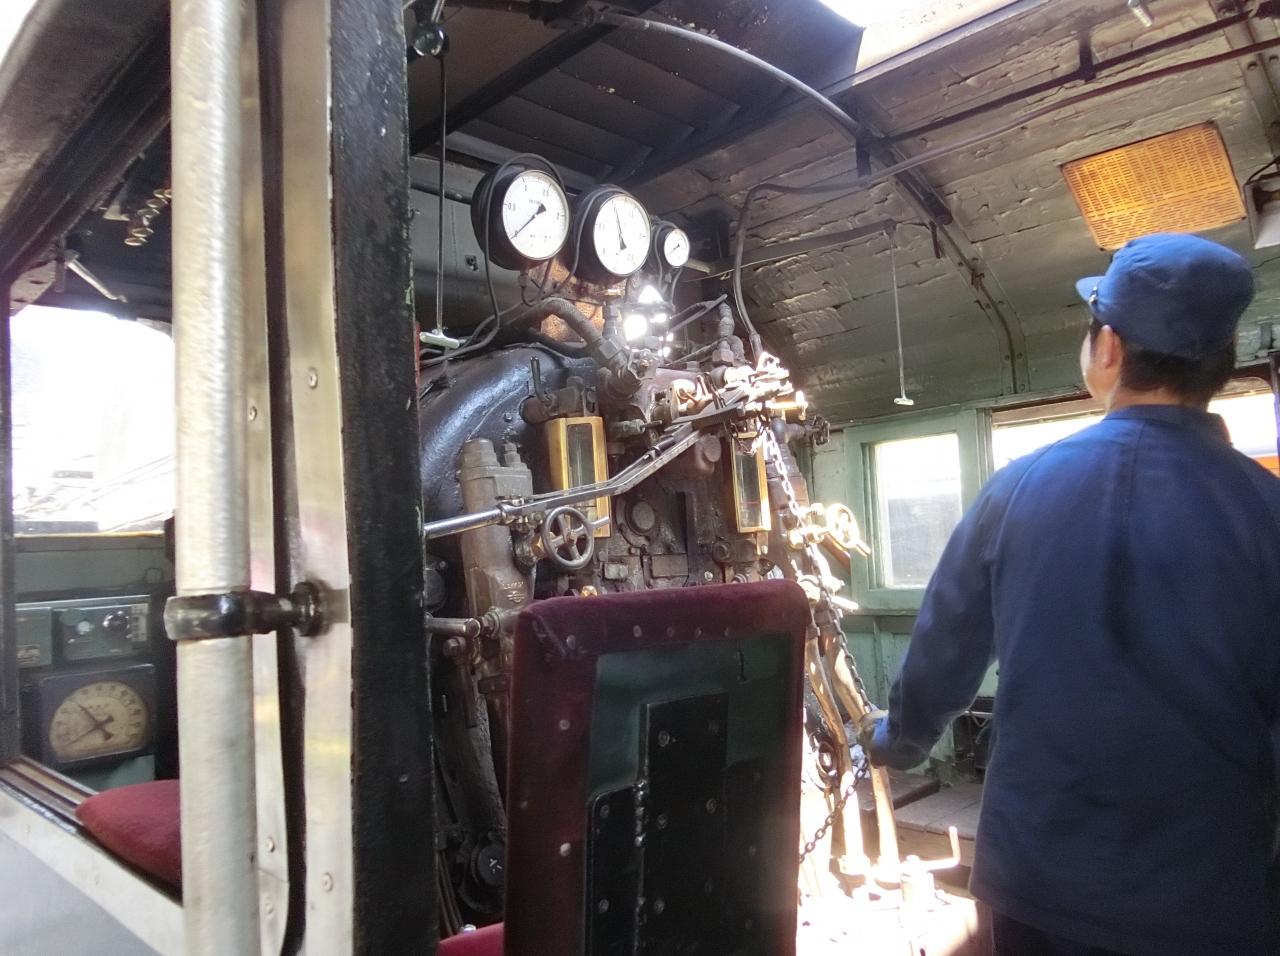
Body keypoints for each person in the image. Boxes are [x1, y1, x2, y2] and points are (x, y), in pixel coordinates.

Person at [860, 233, 1280, 955]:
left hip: (1040, 881)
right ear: (1223, 357)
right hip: (1213, 891)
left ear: (1108, 347)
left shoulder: (1016, 489)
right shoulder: (1266, 511)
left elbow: (942, 655)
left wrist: (895, 741)